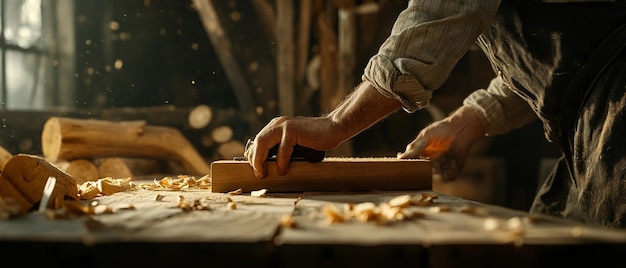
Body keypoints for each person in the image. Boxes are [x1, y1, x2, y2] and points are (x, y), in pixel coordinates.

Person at [245, 0, 626, 228]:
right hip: (597, 119)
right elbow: (560, 68)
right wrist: (467, 121)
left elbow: (440, 13)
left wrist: (335, 124)